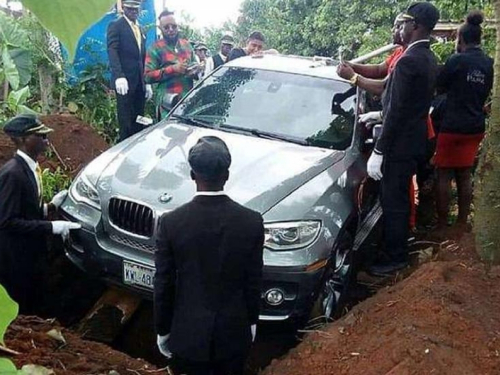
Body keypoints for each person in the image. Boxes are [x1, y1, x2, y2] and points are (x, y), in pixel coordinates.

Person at [155, 136, 264, 375]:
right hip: (234, 335)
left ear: (193, 175)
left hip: (187, 337)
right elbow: (253, 279)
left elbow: (164, 283)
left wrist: (163, 330)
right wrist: (252, 322)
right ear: (226, 175)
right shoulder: (252, 221)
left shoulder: (171, 223)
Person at [367, 2, 440, 275]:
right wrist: (378, 114)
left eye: (403, 23)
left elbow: (397, 111)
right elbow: (405, 104)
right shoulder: (427, 58)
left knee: (394, 201)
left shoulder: (409, 61)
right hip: (413, 139)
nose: (399, 28)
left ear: (416, 26)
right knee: (398, 199)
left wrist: (380, 150)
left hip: (400, 144)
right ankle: (395, 251)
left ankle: (393, 258)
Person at [0, 115, 81, 313]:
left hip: (32, 254)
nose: (46, 140)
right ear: (22, 140)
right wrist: (52, 227)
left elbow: (25, 210)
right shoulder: (13, 174)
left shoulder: (30, 168)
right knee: (24, 306)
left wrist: (50, 207)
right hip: (17, 259)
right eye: (40, 136)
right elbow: (8, 222)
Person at [434, 11, 493, 231]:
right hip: (475, 125)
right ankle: (461, 223)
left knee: (443, 173)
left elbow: (439, 86)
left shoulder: (456, 60)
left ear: (462, 39)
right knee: (464, 173)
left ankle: (441, 225)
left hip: (452, 126)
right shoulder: (489, 63)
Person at [107, 0, 152, 142]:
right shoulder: (116, 25)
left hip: (139, 81)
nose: (133, 12)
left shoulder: (140, 28)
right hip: (125, 81)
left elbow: (142, 57)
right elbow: (112, 50)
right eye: (130, 9)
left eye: (136, 10)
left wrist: (147, 81)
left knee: (139, 117)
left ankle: (137, 145)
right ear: (124, 9)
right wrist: (119, 76)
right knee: (126, 118)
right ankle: (125, 148)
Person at [337, 13, 407, 97]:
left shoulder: (407, 58)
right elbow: (379, 70)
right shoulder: (399, 51)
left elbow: (383, 87)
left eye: (397, 27)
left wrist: (353, 77)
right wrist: (352, 66)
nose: (392, 30)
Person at [145, 10, 197, 120]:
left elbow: (194, 66)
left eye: (173, 26)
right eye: (166, 27)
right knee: (167, 135)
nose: (171, 30)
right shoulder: (155, 48)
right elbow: (147, 76)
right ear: (160, 29)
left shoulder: (187, 45)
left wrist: (195, 71)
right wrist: (173, 69)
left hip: (187, 103)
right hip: (167, 105)